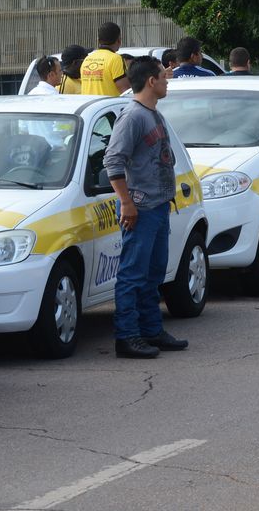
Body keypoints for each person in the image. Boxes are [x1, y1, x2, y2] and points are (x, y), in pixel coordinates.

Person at [102, 56, 187, 359]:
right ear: (151, 81)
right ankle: (127, 337)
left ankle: (152, 330)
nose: (167, 82)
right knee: (133, 274)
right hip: (140, 207)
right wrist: (126, 202)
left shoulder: (154, 115)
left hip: (159, 205)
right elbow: (113, 161)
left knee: (153, 273)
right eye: (163, 77)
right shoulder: (133, 117)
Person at [79, 22, 130, 96]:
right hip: (109, 106)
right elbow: (125, 92)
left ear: (98, 40)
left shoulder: (87, 59)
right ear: (119, 40)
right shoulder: (116, 59)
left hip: (89, 106)